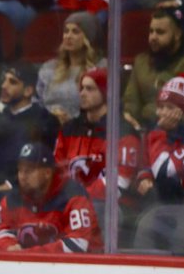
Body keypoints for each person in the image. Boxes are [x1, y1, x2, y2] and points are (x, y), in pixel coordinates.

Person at [134, 74, 184, 255]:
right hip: (166, 203)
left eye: (169, 107)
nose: (160, 113)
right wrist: (146, 175)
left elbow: (164, 170)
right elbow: (148, 162)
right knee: (144, 230)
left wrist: (158, 133)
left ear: (183, 111)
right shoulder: (168, 129)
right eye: (160, 107)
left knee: (183, 241)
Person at [54, 68, 140, 233]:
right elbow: (57, 168)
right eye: (82, 88)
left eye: (90, 89)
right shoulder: (69, 128)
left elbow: (118, 185)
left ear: (106, 93)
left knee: (98, 210)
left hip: (112, 207)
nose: (83, 93)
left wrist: (78, 199)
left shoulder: (123, 131)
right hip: (71, 201)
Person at [0, 60, 60, 201]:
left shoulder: (43, 121)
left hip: (20, 195)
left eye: (12, 82)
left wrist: (8, 185)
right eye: (4, 80)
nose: (4, 86)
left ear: (28, 91)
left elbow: (42, 164)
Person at [0, 140, 102, 253]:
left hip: (79, 268)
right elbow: (4, 232)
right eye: (20, 169)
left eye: (29, 170)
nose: (22, 176)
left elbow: (78, 244)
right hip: (30, 266)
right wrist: (9, 246)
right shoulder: (11, 200)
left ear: (47, 173)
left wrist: (29, 255)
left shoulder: (74, 196)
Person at [123, 4, 184, 129]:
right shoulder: (141, 62)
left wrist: (162, 113)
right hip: (145, 129)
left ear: (178, 34)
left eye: (160, 32)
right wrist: (128, 116)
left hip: (182, 129)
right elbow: (131, 102)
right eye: (151, 31)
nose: (153, 37)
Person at [37, 10, 105, 124]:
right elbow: (38, 103)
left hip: (86, 127)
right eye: (66, 31)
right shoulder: (49, 68)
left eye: (75, 32)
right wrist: (52, 115)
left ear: (88, 37)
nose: (68, 36)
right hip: (50, 126)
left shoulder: (101, 67)